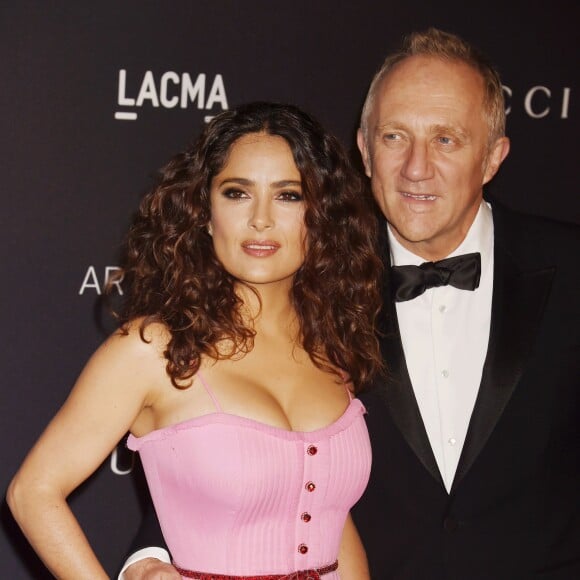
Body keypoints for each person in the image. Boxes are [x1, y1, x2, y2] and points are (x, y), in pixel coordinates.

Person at [123, 29, 580, 580]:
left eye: (446, 140)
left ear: (493, 156)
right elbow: (208, 444)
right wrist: (149, 561)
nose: (416, 167)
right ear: (363, 149)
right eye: (394, 136)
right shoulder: (313, 278)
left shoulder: (570, 270)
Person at [6, 102, 385, 580]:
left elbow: (332, 519)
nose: (261, 220)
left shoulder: (331, 346)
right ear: (205, 213)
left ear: (320, 216)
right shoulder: (151, 350)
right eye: (237, 193)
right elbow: (33, 491)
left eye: (289, 195)